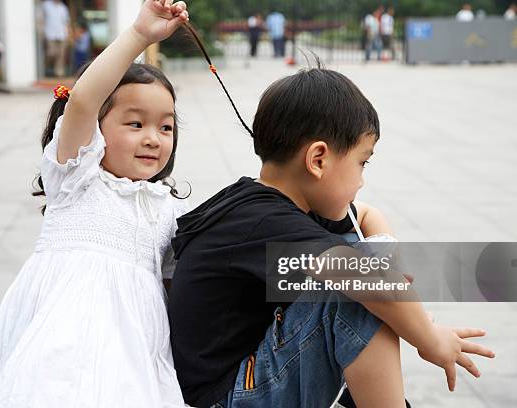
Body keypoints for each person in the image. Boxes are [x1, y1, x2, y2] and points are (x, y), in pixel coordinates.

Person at [168, 66, 496, 407]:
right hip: (231, 397)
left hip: (250, 378)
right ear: (318, 159)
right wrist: (428, 338)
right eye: (362, 163)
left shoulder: (283, 204)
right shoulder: (262, 218)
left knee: (365, 273)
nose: (361, 181)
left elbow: (368, 215)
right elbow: (372, 283)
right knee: (357, 290)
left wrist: (388, 268)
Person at [0, 1, 191, 407]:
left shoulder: (166, 208)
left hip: (135, 354)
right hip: (62, 344)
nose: (153, 138)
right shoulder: (76, 179)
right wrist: (139, 36)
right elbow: (84, 100)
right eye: (135, 123)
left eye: (166, 126)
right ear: (96, 131)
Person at [40, 0, 70, 77]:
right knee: (51, 53)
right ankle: (46, 70)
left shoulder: (63, 7)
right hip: (50, 34)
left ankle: (59, 73)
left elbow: (66, 22)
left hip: (62, 34)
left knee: (61, 55)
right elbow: (41, 18)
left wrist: (68, 34)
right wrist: (41, 31)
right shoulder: (46, 5)